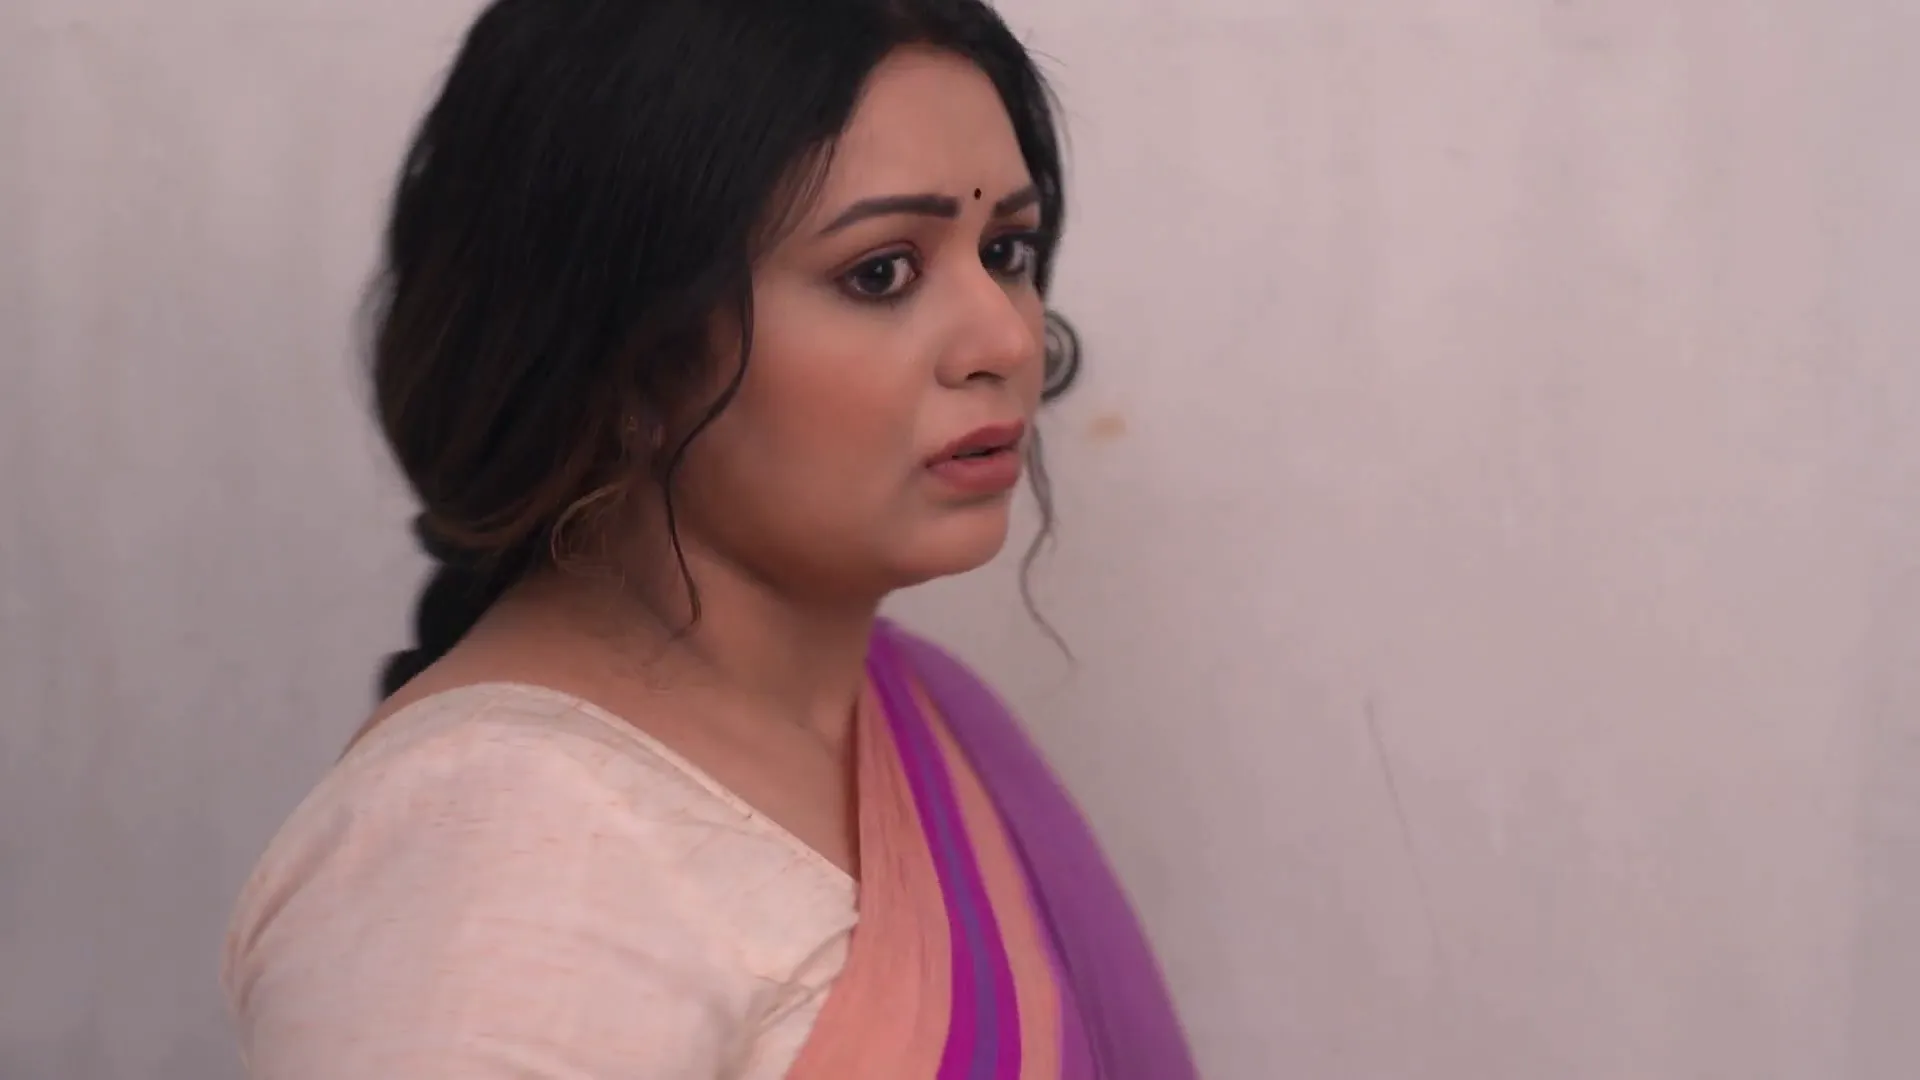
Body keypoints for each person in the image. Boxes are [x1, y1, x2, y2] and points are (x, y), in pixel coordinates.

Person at [220, 1, 1197, 1076]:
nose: (1006, 337)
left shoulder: (939, 719)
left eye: (1006, 250)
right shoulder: (500, 866)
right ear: (626, 355)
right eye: (881, 272)